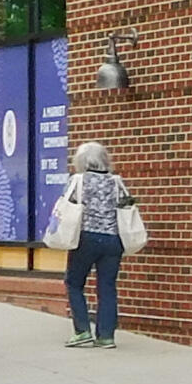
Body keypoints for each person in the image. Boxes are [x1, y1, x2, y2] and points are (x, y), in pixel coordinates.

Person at [61, 140, 135, 348]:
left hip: (86, 237)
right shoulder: (116, 181)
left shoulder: (78, 181)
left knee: (74, 282)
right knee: (107, 287)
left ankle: (82, 330)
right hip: (113, 239)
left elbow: (67, 205)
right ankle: (106, 335)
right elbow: (127, 205)